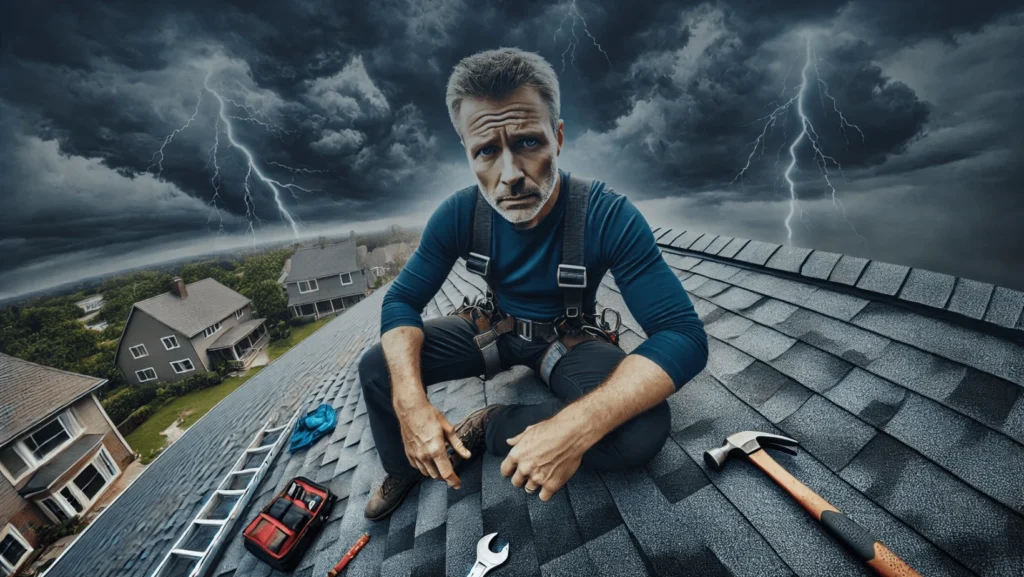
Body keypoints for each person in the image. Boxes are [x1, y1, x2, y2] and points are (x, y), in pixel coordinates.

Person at [360, 47, 708, 521]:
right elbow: (401, 299)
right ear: (467, 153)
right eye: (486, 151)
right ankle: (405, 464)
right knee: (380, 365)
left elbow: (682, 335)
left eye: (528, 142)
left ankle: (491, 425)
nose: (510, 176)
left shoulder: (606, 215)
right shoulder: (459, 215)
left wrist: (575, 426)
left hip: (564, 343)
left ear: (558, 137)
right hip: (494, 333)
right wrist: (410, 402)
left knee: (640, 432)